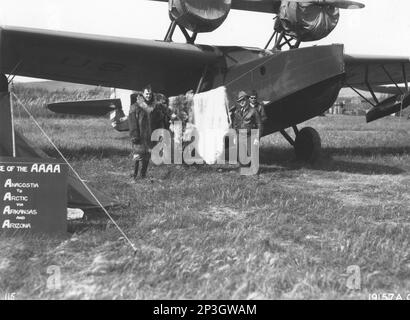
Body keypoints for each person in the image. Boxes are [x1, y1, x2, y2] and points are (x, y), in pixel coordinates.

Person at [128, 85, 170, 180]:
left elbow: (159, 121)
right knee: (137, 156)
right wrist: (134, 135)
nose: (148, 96)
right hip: (139, 136)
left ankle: (143, 175)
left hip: (151, 136)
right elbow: (132, 122)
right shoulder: (135, 107)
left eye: (150, 94)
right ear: (142, 94)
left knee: (147, 156)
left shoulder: (155, 107)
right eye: (147, 93)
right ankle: (133, 176)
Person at [232, 91, 263, 170]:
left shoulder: (253, 111)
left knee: (252, 154)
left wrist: (257, 137)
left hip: (250, 135)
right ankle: (244, 169)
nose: (241, 102)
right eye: (239, 101)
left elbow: (259, 124)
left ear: (247, 100)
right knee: (241, 154)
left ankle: (254, 171)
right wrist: (235, 136)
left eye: (243, 100)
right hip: (240, 136)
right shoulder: (237, 112)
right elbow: (235, 125)